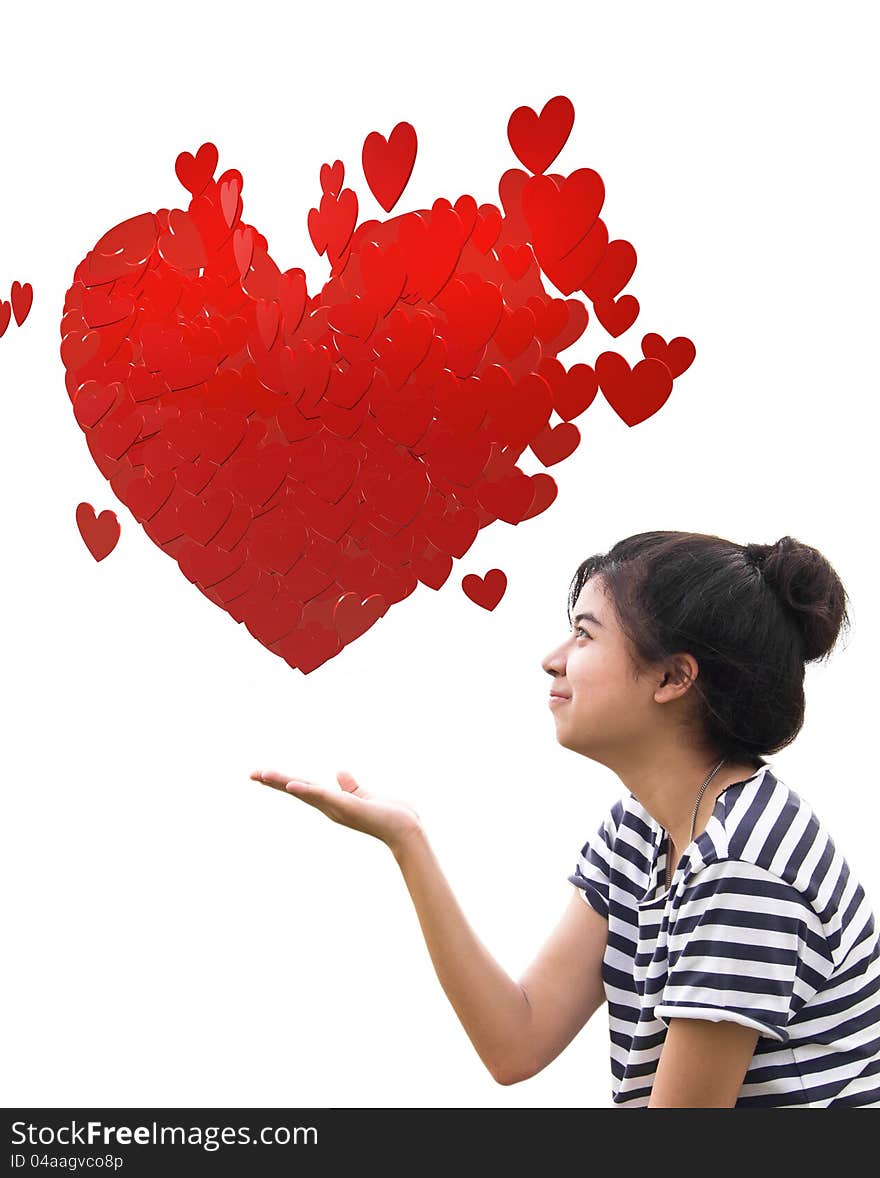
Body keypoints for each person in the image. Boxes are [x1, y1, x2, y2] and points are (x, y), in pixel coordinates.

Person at [250, 530, 880, 1107]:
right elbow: (517, 1041)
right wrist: (408, 843)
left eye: (585, 634)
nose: (553, 659)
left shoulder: (744, 872)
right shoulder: (639, 829)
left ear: (671, 677)